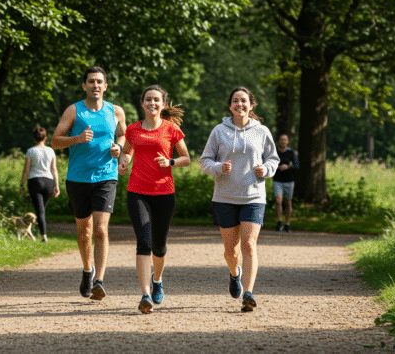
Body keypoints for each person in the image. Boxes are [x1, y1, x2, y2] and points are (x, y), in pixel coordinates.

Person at [199, 86, 279, 312]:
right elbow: (205, 161)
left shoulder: (261, 131)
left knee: (249, 244)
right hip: (224, 197)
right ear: (230, 106)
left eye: (244, 100)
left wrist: (266, 169)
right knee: (231, 251)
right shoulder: (219, 131)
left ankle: (248, 294)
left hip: (253, 196)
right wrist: (219, 167)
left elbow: (273, 159)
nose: (239, 104)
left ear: (251, 105)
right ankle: (235, 274)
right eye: (235, 100)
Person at [51, 66, 126, 301]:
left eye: (99, 82)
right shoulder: (74, 110)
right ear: (84, 86)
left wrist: (119, 148)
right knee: (84, 232)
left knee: (101, 230)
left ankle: (99, 281)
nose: (95, 85)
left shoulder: (115, 111)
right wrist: (77, 138)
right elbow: (55, 141)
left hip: (106, 176)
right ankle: (87, 270)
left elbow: (124, 135)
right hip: (78, 178)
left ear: (105, 86)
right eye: (91, 81)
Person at [118, 85, 191, 314]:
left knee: (159, 246)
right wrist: (123, 162)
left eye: (156, 100)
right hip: (137, 191)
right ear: (142, 103)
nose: (152, 103)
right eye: (148, 99)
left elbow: (187, 158)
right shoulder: (132, 129)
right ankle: (145, 294)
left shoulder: (171, 129)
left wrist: (170, 162)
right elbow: (127, 151)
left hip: (164, 193)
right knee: (144, 242)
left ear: (163, 104)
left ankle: (157, 280)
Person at [19, 125, 60, 242]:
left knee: (40, 211)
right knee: (41, 209)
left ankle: (43, 236)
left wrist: (22, 185)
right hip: (48, 182)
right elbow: (54, 169)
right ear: (45, 138)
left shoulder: (30, 151)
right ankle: (37, 231)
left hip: (35, 181)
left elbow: (26, 170)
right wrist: (56, 186)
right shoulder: (51, 151)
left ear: (34, 138)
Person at [272, 134, 298, 233]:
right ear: (279, 141)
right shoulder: (275, 152)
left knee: (288, 202)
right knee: (278, 201)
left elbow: (296, 165)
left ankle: (287, 223)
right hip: (277, 180)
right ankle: (279, 222)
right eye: (281, 139)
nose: (283, 141)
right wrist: (277, 167)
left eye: (285, 140)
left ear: (288, 142)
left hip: (289, 181)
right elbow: (270, 163)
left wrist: (287, 167)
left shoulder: (291, 152)